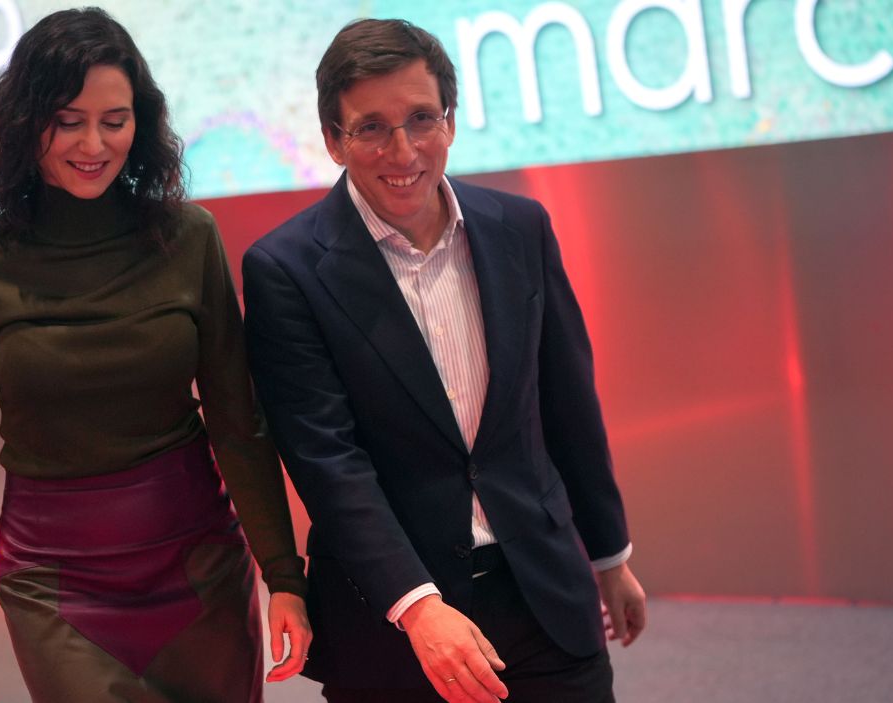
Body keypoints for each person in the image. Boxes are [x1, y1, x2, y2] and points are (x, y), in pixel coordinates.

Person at [241, 18, 645, 703]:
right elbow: (328, 461)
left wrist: (610, 556)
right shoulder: (285, 269)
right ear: (334, 140)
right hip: (394, 620)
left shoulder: (521, 229)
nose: (403, 150)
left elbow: (568, 405)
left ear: (450, 122)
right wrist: (418, 606)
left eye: (421, 118)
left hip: (542, 590)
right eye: (371, 127)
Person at [0, 8, 309, 703]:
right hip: (56, 582)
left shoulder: (188, 238)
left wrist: (283, 573)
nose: (94, 143)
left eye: (115, 119)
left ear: (142, 120)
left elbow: (236, 419)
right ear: (25, 120)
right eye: (68, 120)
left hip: (198, 566)